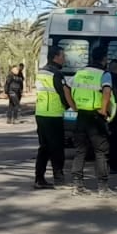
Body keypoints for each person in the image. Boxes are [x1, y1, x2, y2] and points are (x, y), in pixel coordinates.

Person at [68, 50, 115, 195]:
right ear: (104, 59)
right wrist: (103, 109)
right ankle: (102, 187)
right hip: (96, 117)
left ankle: (77, 185)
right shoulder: (104, 74)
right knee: (100, 152)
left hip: (81, 116)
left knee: (80, 151)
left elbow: (66, 89)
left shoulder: (80, 73)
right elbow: (107, 92)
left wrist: (74, 106)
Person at [33, 48, 71, 189]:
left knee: (44, 148)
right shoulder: (56, 74)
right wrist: (70, 106)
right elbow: (63, 94)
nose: (64, 59)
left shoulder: (42, 72)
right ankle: (59, 178)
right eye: (63, 56)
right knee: (57, 148)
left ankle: (39, 178)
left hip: (41, 113)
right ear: (56, 57)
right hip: (53, 115)